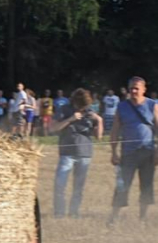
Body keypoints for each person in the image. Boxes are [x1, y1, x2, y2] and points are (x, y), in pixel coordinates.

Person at [108, 76, 158, 224]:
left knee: (147, 186)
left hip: (148, 152)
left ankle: (142, 218)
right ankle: (114, 217)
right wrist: (113, 152)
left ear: (144, 89)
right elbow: (115, 130)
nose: (134, 91)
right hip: (128, 153)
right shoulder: (122, 107)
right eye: (131, 88)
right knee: (122, 185)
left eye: (137, 88)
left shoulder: (152, 105)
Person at [50, 88, 103, 218]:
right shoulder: (64, 109)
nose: (84, 108)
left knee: (78, 187)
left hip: (85, 153)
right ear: (75, 102)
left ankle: (74, 213)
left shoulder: (90, 112)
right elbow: (53, 128)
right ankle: (59, 213)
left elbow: (99, 137)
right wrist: (71, 119)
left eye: (86, 106)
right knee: (60, 185)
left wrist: (99, 120)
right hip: (66, 153)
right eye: (82, 106)